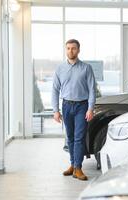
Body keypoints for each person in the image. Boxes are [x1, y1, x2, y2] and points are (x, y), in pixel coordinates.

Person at [52, 39, 96, 181]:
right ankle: (73, 164)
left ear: (78, 50)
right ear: (66, 50)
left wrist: (90, 108)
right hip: (66, 106)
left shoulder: (86, 68)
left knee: (79, 138)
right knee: (70, 138)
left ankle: (78, 168)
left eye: (74, 48)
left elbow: (92, 90)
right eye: (68, 48)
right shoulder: (60, 69)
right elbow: (54, 90)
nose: (71, 51)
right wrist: (55, 110)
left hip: (82, 107)